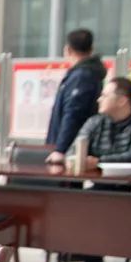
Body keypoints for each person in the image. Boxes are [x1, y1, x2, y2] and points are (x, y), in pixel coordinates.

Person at [66, 78, 131, 262]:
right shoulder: (95, 122)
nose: (99, 99)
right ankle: (92, 259)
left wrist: (98, 161)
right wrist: (78, 158)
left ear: (122, 100)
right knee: (80, 203)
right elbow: (74, 151)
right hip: (105, 185)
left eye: (105, 95)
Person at [45, 29, 106, 163]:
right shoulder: (91, 72)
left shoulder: (81, 76)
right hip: (78, 146)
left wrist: (60, 149)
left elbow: (73, 114)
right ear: (91, 49)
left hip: (71, 149)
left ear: (67, 50)